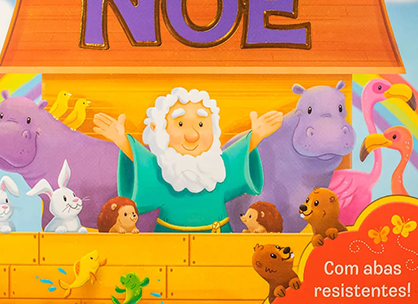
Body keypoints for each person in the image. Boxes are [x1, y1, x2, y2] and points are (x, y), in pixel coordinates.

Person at [92, 87, 283, 233]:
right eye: (181, 124)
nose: (192, 135)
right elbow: (142, 164)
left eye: (201, 124)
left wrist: (256, 135)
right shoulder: (163, 171)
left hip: (218, 239)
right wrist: (122, 141)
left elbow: (238, 156)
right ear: (159, 130)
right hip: (170, 240)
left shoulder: (218, 168)